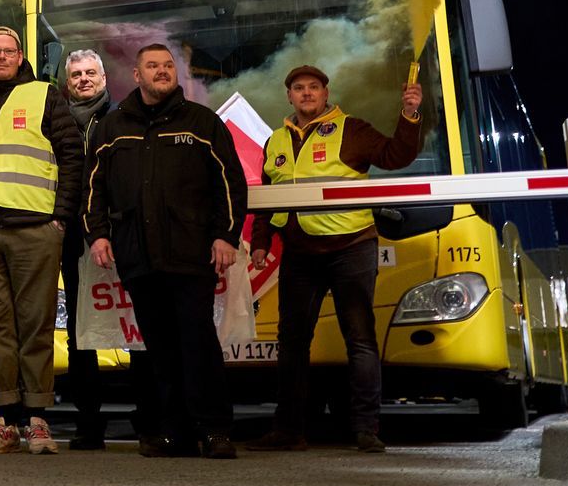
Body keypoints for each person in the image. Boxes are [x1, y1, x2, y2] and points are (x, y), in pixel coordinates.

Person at [248, 63, 425, 454]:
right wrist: (261, 242)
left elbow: (397, 156)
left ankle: (365, 429)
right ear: (289, 96)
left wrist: (410, 115)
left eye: (314, 87)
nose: (307, 93)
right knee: (292, 343)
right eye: (298, 88)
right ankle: (289, 430)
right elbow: (266, 198)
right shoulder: (275, 140)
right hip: (299, 252)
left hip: (351, 247)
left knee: (359, 340)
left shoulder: (353, 129)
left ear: (326, 94)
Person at [84, 43, 248, 460]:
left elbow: (229, 183)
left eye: (168, 66)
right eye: (152, 66)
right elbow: (93, 189)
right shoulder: (111, 127)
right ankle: (174, 432)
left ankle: (214, 431)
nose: (162, 71)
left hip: (191, 254)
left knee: (198, 343)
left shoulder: (202, 122)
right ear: (136, 76)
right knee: (158, 348)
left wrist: (226, 236)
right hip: (137, 256)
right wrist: (97, 235)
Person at [0, 26, 84, 455]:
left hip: (34, 228)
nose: (3, 57)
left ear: (21, 56)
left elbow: (71, 155)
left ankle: (38, 420)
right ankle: (6, 420)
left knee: (35, 325)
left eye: (10, 51)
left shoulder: (45, 95)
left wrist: (61, 218)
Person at [57, 48, 113, 449]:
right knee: (80, 333)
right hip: (73, 237)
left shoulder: (122, 118)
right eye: (76, 74)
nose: (83, 79)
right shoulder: (55, 124)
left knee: (135, 328)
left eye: (90, 73)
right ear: (67, 82)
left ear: (105, 79)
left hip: (116, 235)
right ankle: (88, 422)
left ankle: (150, 418)